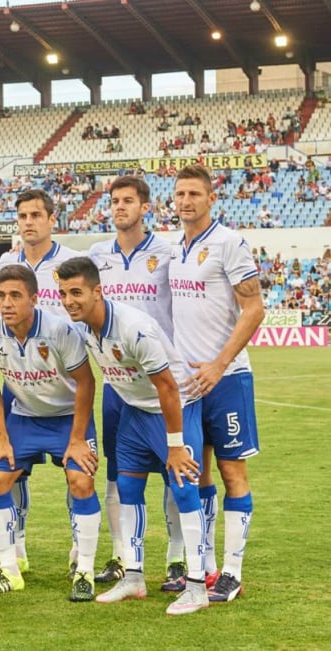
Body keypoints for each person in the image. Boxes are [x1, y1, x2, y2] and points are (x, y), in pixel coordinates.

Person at [58, 256, 208, 615]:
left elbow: (168, 388)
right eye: (63, 293)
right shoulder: (80, 328)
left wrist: (174, 446)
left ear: (98, 291)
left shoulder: (133, 327)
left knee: (184, 488)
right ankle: (134, 575)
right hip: (134, 411)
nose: (68, 301)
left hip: (173, 409)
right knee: (127, 489)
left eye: (76, 292)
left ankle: (198, 586)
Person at [0, 265, 100, 600]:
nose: (7, 303)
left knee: (81, 481)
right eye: (1, 296)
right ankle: (9, 570)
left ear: (34, 297)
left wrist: (77, 440)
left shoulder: (60, 331)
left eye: (15, 295)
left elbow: (86, 382)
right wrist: (1, 438)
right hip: (24, 419)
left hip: (67, 419)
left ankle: (84, 570)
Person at [169, 164, 264, 602]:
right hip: (187, 384)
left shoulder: (229, 243)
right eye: (180, 194)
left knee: (231, 471)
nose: (186, 201)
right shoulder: (174, 249)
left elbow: (254, 309)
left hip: (226, 379)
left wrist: (218, 364)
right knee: (197, 471)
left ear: (211, 198)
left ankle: (232, 570)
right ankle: (204, 565)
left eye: (194, 193)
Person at [88, 176, 187, 592]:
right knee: (118, 473)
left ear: (145, 207)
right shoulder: (96, 255)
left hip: (161, 380)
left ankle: (177, 559)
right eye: (114, 201)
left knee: (174, 471)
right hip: (119, 383)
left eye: (128, 201)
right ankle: (122, 556)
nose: (120, 207)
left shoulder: (168, 253)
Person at [0, 188, 86, 574]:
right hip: (17, 380)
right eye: (23, 216)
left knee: (77, 469)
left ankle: (78, 545)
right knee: (11, 467)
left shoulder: (71, 260)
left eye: (36, 215)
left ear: (52, 219)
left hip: (63, 378)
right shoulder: (5, 260)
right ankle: (15, 544)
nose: (29, 222)